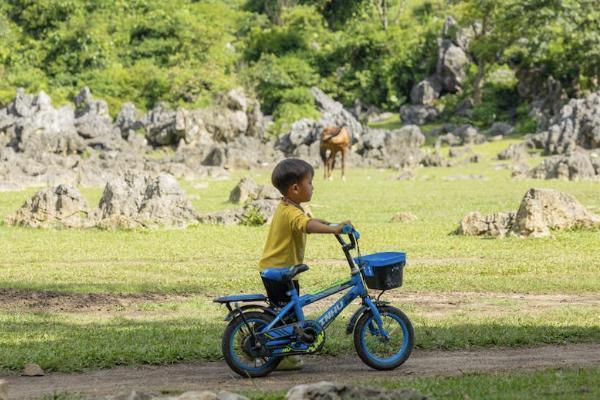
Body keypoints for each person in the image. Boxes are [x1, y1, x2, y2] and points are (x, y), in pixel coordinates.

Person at [259, 158, 352, 370]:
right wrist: (335, 230)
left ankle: (287, 352)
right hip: (279, 271)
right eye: (310, 182)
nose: (313, 186)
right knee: (287, 318)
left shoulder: (288, 206)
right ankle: (283, 357)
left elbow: (310, 221)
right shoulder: (292, 212)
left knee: (288, 313)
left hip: (282, 270)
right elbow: (306, 226)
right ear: (295, 188)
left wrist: (330, 224)